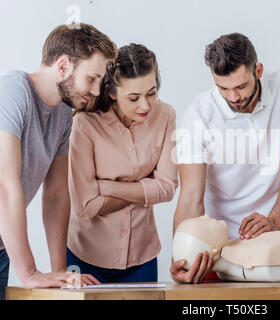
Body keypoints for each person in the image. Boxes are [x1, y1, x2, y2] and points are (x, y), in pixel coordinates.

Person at [172, 33, 280, 283]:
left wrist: (274, 219)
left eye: (240, 86)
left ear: (258, 70)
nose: (233, 97)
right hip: (216, 249)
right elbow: (191, 197)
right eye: (223, 88)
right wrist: (180, 259)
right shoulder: (197, 115)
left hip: (274, 238)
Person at [0, 23, 117, 299]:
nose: (97, 90)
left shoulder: (64, 114)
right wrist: (30, 273)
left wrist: (60, 273)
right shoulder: (12, 93)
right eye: (91, 78)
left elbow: (55, 196)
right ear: (63, 66)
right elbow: (4, 189)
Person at [67, 43, 178, 283]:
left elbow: (168, 188)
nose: (145, 106)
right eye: (134, 97)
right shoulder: (85, 125)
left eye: (152, 93)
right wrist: (144, 187)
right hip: (87, 256)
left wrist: (104, 186)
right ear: (113, 92)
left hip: (143, 255)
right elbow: (85, 206)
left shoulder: (166, 116)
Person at [173, 215, 280, 282]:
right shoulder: (240, 261)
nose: (206, 216)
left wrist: (274, 219)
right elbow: (190, 195)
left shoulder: (240, 254)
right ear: (211, 250)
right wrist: (181, 264)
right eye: (202, 223)